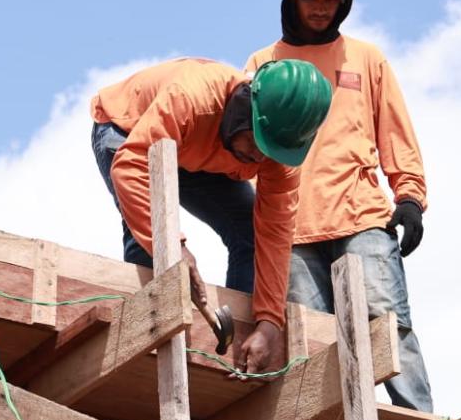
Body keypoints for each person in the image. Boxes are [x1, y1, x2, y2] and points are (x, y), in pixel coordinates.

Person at [247, 0, 434, 411]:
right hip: (293, 230)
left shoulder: (366, 59)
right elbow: (248, 151)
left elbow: (395, 132)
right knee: (313, 344)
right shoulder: (263, 64)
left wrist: (410, 199)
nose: (321, 7)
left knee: (388, 325)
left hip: (362, 219)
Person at [90, 57, 332, 375]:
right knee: (146, 230)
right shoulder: (192, 96)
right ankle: (149, 335)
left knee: (250, 231)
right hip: (129, 133)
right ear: (243, 105)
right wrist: (173, 246)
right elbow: (130, 167)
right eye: (256, 141)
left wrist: (269, 322)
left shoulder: (278, 159)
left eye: (269, 151)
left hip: (201, 155)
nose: (259, 157)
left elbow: (273, 237)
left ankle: (238, 344)